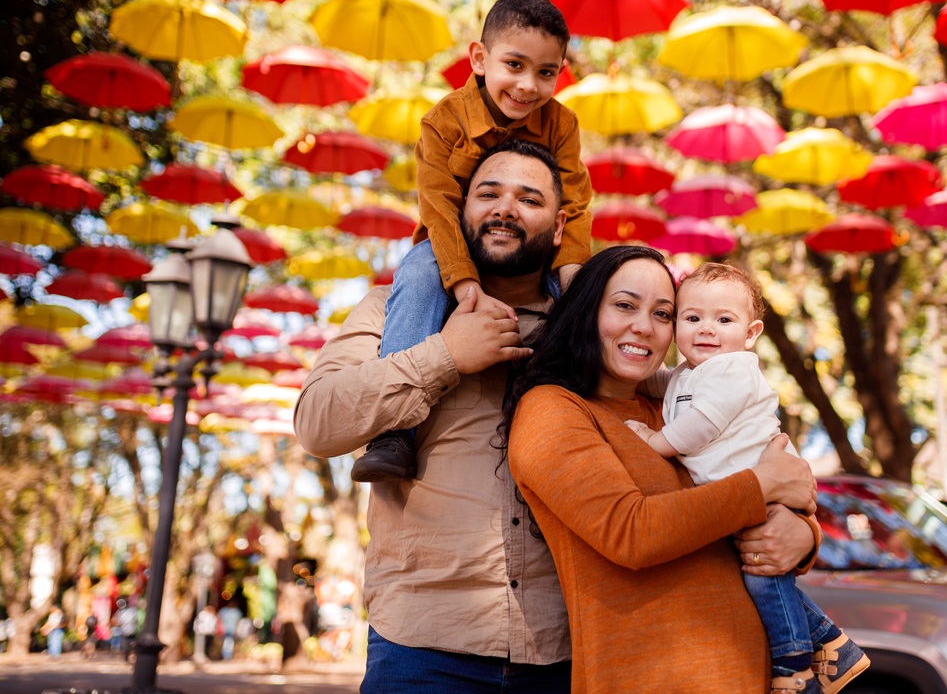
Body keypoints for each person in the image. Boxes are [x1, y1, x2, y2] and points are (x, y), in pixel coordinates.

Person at [294, 144, 821, 694]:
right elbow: (317, 422)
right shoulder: (395, 309)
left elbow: (729, 434)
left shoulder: (601, 329)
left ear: (559, 224)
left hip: (565, 649)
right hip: (426, 641)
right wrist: (444, 354)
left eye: (529, 198)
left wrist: (801, 531)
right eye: (489, 194)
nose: (506, 209)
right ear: (459, 210)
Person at [504, 245, 822, 694]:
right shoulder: (553, 411)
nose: (644, 326)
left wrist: (805, 534)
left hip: (749, 675)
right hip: (648, 677)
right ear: (585, 312)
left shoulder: (677, 403)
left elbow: (770, 482)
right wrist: (763, 485)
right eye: (624, 305)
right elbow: (631, 533)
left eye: (662, 313)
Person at [352, 0, 593, 484]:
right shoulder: (444, 121)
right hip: (451, 248)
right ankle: (394, 431)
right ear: (480, 59)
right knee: (418, 271)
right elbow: (438, 205)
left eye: (546, 72)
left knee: (592, 290)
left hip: (530, 251)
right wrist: (463, 284)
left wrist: (573, 278)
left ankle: (589, 401)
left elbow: (574, 204)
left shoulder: (562, 123)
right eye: (515, 65)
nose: (528, 85)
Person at [624, 263, 868, 694]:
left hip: (766, 490)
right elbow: (655, 382)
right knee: (761, 573)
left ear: (751, 333)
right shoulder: (688, 374)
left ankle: (793, 664)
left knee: (762, 576)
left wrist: (653, 440)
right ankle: (833, 644)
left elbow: (701, 424)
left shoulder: (734, 369)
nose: (707, 330)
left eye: (724, 320)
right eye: (692, 317)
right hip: (746, 492)